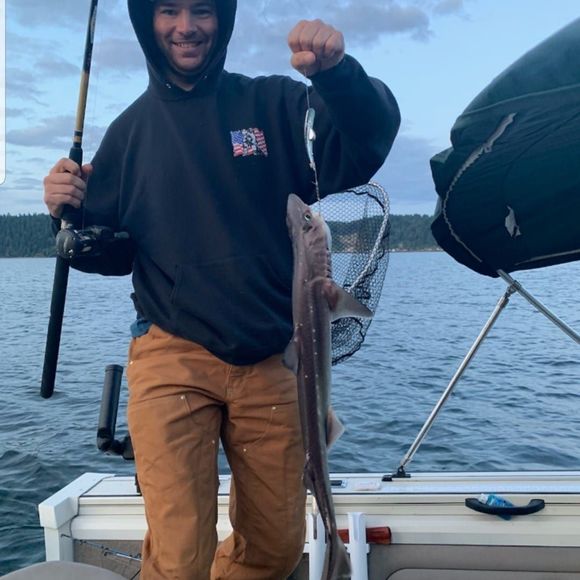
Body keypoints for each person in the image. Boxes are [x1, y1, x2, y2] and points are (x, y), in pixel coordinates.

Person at [43, 0, 401, 578]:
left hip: (272, 353)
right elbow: (106, 250)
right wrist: (64, 213)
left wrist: (338, 76)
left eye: (203, 11)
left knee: (276, 547)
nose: (186, 27)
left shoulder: (274, 105)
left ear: (224, 19)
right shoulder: (130, 134)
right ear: (147, 22)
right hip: (172, 352)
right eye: (168, 11)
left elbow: (363, 143)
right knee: (179, 555)